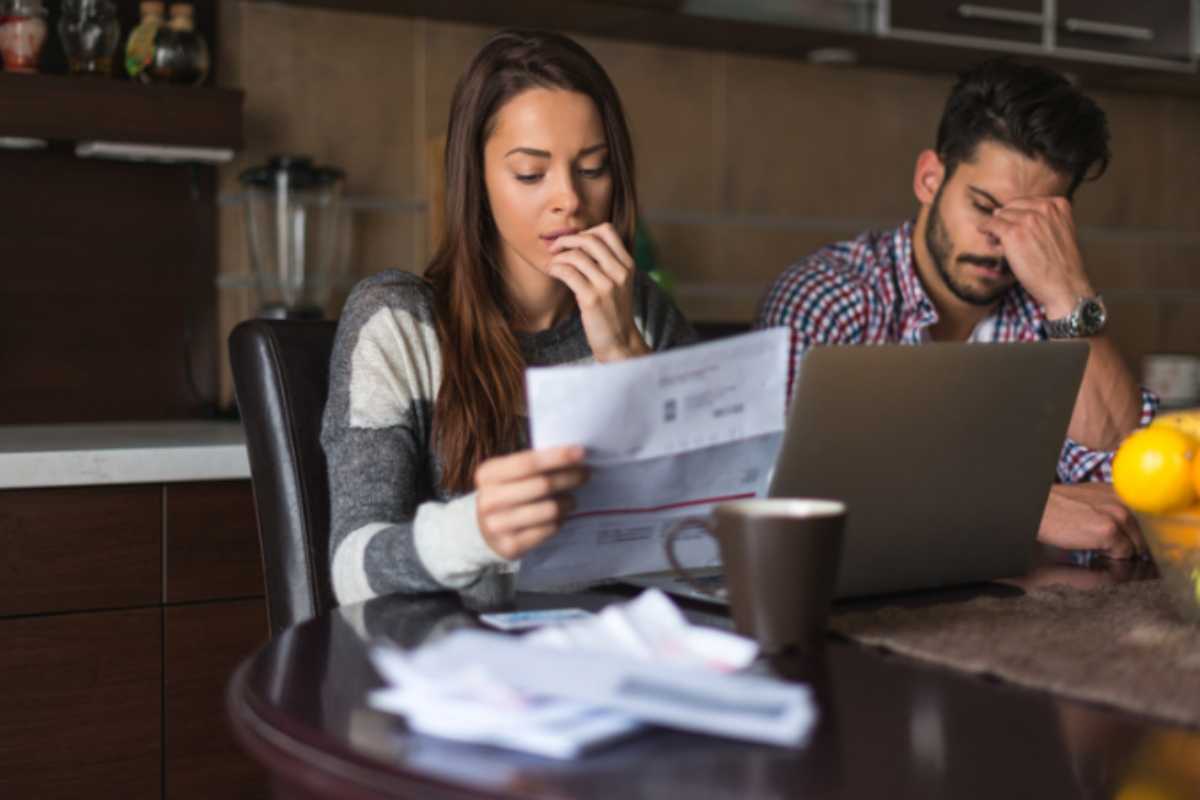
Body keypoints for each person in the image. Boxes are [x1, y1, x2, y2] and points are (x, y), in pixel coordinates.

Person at [322, 29, 695, 606]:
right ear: (478, 179)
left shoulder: (643, 312)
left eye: (592, 168)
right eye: (530, 173)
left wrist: (623, 351)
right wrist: (476, 532)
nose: (568, 198)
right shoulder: (398, 323)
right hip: (456, 664)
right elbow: (352, 571)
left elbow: (707, 537)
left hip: (620, 651)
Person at [755, 59, 1155, 559]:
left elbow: (1138, 489)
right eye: (985, 207)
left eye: (1029, 221)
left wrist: (1069, 294)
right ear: (929, 179)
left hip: (1023, 617)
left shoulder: (1048, 311)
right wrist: (1022, 508)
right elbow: (784, 507)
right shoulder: (831, 297)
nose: (1000, 240)